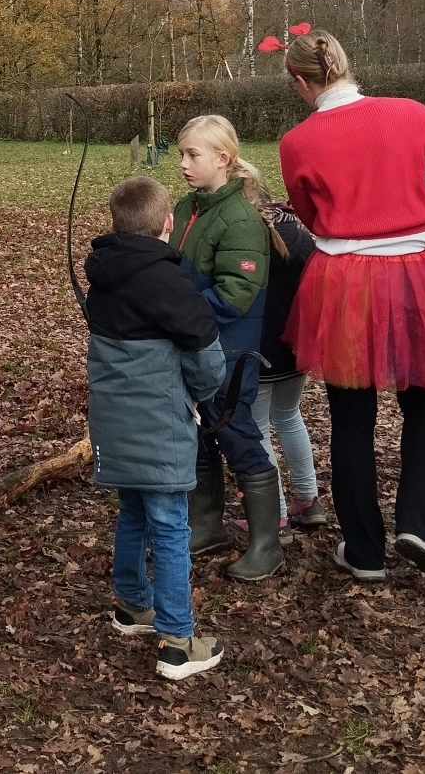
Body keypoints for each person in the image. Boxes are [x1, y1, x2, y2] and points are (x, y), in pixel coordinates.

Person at [278, 31, 425, 582]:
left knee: (351, 419)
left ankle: (364, 550)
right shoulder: (409, 113)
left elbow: (309, 213)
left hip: (344, 280)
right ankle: (419, 524)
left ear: (301, 82)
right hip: (417, 273)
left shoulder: (298, 142)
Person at [84, 175, 229, 680]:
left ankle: (131, 604)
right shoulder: (170, 281)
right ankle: (176, 639)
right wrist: (200, 397)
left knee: (134, 510)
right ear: (168, 224)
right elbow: (207, 362)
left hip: (112, 423)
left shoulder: (102, 275)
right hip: (159, 423)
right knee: (169, 524)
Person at [172, 115, 282, 581]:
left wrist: (175, 314)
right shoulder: (186, 206)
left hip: (230, 354)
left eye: (192, 155)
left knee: (236, 435)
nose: (183, 164)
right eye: (181, 154)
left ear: (223, 159)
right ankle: (207, 525)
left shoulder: (239, 218)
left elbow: (236, 293)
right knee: (197, 432)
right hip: (192, 348)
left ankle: (266, 544)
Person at [247, 189, 327, 535]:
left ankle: (274, 514)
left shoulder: (250, 243)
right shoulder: (300, 233)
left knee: (260, 426)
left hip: (263, 349)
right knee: (289, 416)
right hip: (298, 347)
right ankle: (309, 500)